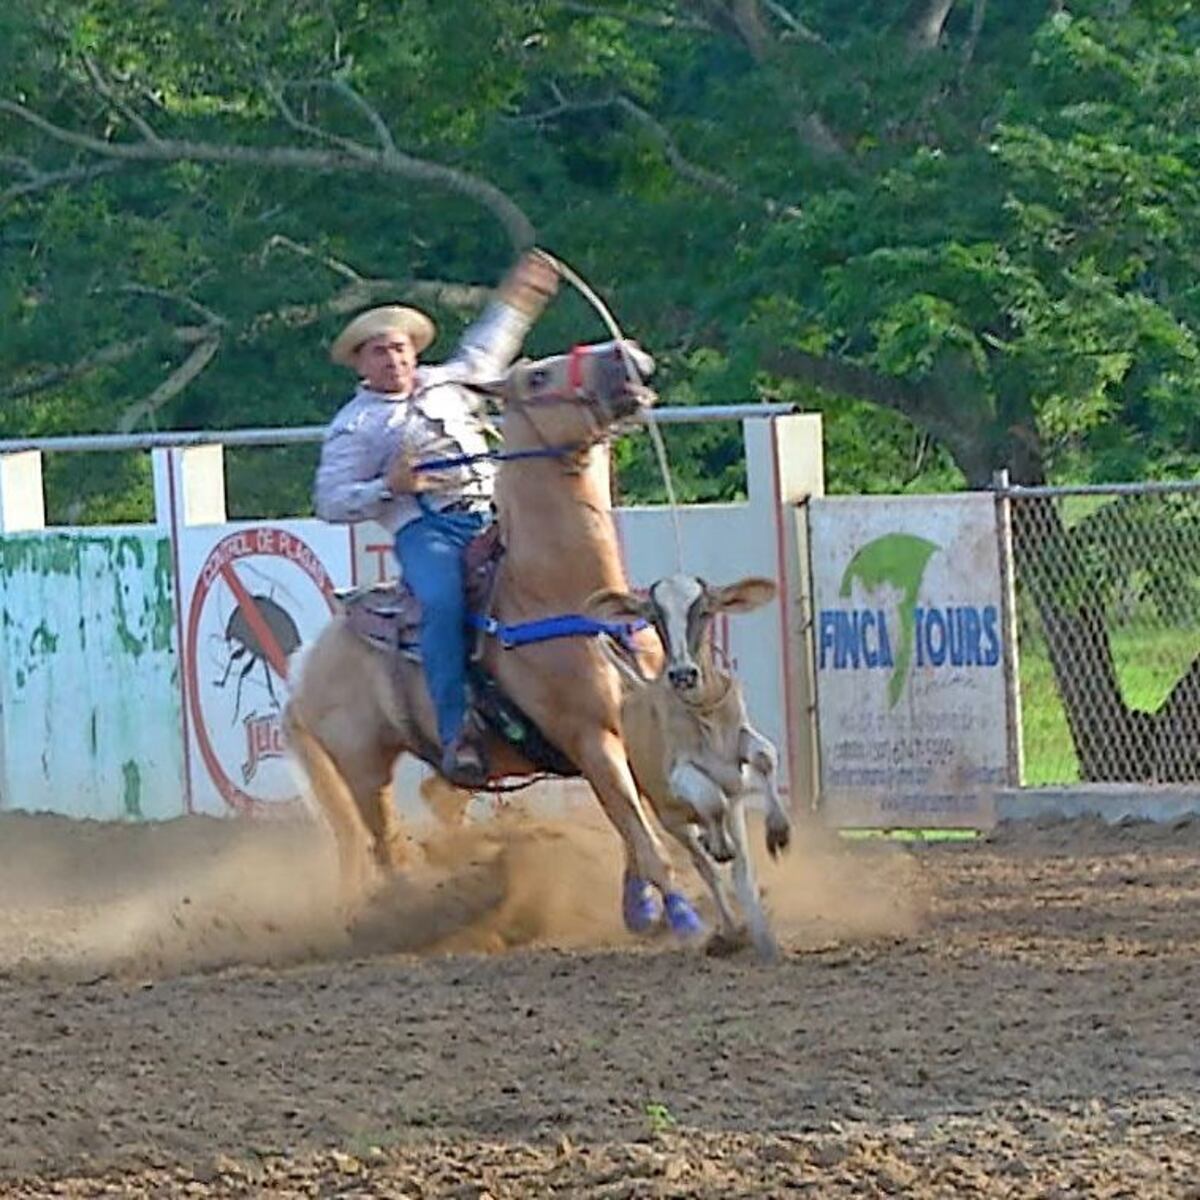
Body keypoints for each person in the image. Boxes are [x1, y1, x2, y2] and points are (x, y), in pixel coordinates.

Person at [314, 250, 559, 786]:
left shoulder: (449, 382)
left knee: (566, 570)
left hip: (494, 516)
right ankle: (457, 733)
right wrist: (388, 487)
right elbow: (329, 501)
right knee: (443, 602)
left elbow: (488, 347)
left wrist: (522, 298)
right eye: (378, 352)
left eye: (399, 348)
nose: (393, 359)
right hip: (426, 532)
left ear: (413, 352)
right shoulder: (355, 427)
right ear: (361, 364)